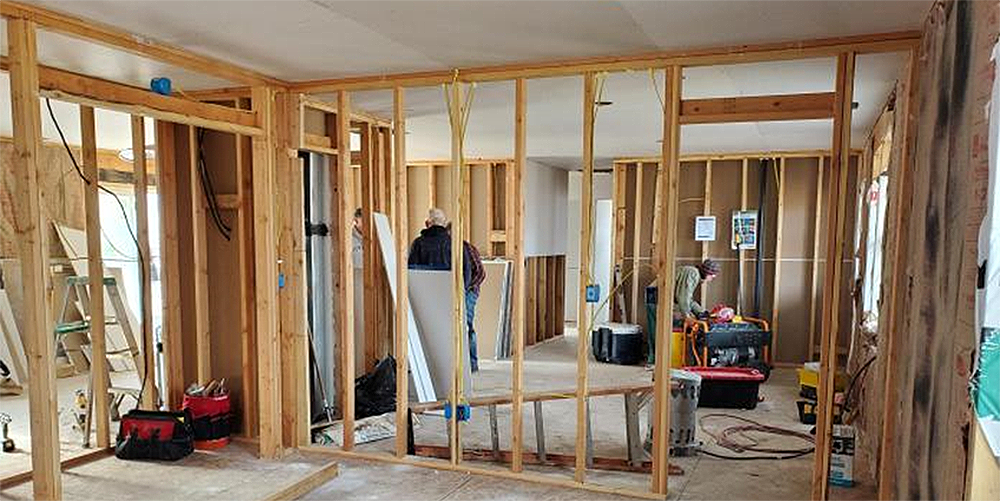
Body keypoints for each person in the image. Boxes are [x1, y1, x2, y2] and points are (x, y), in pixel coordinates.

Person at [408, 208, 486, 372]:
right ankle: (459, 367)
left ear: (427, 224)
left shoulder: (418, 244)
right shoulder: (455, 245)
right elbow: (466, 271)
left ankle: (429, 367)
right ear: (444, 225)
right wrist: (461, 293)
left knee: (429, 333)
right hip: (452, 298)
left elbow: (411, 273)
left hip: (425, 301)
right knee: (455, 332)